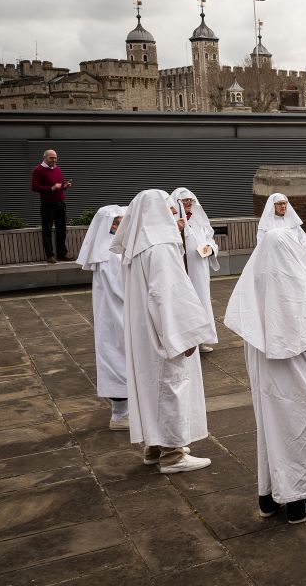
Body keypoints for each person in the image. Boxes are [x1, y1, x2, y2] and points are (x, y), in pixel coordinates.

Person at [224, 228, 306, 524]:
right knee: (299, 432)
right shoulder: (294, 283)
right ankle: (300, 503)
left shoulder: (254, 283)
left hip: (267, 379)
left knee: (271, 435)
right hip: (296, 376)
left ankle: (268, 499)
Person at [111, 190, 217, 474]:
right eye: (171, 210)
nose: (175, 215)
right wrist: (184, 336)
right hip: (164, 332)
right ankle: (173, 453)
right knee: (171, 385)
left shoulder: (136, 248)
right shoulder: (162, 247)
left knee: (149, 386)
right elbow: (168, 295)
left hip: (144, 333)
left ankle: (153, 445)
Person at [76, 205, 129, 430]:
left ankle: (124, 412)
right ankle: (120, 415)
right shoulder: (110, 254)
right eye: (121, 220)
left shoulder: (107, 250)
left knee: (118, 356)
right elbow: (123, 288)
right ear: (112, 224)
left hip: (114, 313)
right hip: (118, 313)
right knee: (119, 358)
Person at [170, 187, 220, 354]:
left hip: (200, 270)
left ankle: (202, 340)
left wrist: (210, 248)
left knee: (202, 301)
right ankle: (186, 341)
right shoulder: (172, 222)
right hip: (182, 271)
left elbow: (210, 239)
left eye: (190, 201)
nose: (189, 204)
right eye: (185, 202)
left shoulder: (199, 221)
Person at [31, 149, 73, 263]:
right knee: (47, 230)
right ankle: (50, 255)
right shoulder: (38, 170)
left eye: (55, 157)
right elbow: (34, 187)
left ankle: (62, 254)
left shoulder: (58, 169)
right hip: (47, 204)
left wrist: (65, 186)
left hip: (60, 202)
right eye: (51, 158)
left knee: (62, 229)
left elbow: (61, 185)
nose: (54, 160)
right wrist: (51, 188)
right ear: (45, 157)